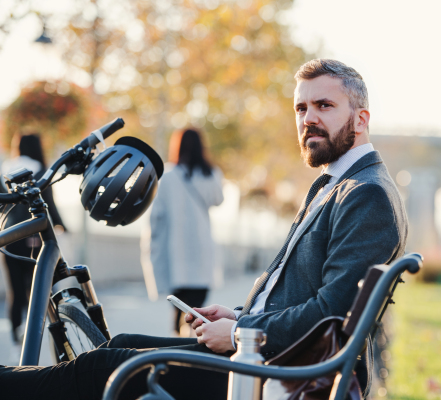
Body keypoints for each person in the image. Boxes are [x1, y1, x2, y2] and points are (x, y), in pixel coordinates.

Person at [0, 59, 408, 400]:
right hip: (270, 358)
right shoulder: (341, 183)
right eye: (301, 109)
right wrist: (240, 314)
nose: (309, 118)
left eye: (324, 105)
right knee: (116, 343)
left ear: (361, 118)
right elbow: (308, 295)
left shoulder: (365, 194)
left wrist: (238, 332)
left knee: (101, 367)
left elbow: (329, 314)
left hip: (281, 376)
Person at [141, 128, 224, 337]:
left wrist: (152, 250)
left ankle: (177, 345)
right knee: (197, 310)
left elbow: (155, 218)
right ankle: (192, 346)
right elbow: (218, 199)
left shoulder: (166, 177)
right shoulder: (211, 175)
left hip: (175, 254)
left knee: (178, 310)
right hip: (201, 253)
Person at [0, 134, 66, 363]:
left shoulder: (6, 168)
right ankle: (48, 339)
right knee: (40, 292)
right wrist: (61, 224)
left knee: (15, 292)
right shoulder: (39, 169)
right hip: (35, 237)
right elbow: (47, 203)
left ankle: (17, 339)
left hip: (9, 238)